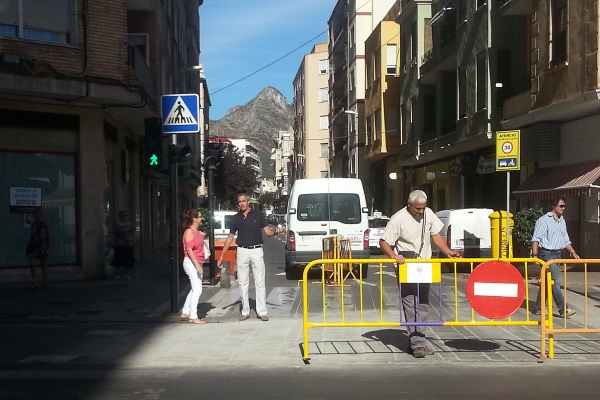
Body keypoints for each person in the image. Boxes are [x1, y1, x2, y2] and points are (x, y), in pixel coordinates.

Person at [379, 190, 460, 358]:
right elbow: (384, 241)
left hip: (424, 265)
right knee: (410, 302)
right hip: (407, 265)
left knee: (422, 303)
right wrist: (394, 256)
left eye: (423, 208)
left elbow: (435, 234)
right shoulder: (398, 218)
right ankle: (418, 345)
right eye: (417, 209)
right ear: (409, 205)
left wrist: (447, 251)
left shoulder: (428, 214)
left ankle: (417, 341)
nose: (421, 212)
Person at [218, 194, 284, 322]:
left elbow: (268, 232)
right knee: (243, 282)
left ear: (248, 202)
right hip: (242, 250)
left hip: (256, 250)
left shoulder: (258, 215)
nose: (241, 203)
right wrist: (222, 255)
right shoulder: (236, 218)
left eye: (243, 201)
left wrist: (277, 232)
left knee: (260, 281)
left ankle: (262, 311)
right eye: (239, 201)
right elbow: (230, 237)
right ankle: (245, 311)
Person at [532, 197, 579, 318]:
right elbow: (536, 238)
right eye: (561, 206)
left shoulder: (562, 221)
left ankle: (538, 307)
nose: (563, 208)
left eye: (564, 206)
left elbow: (565, 239)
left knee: (548, 282)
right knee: (555, 281)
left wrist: (573, 252)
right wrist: (535, 255)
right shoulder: (544, 220)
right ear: (554, 206)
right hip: (546, 254)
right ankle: (563, 309)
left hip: (557, 254)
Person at [180, 209, 207, 324]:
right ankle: (193, 315)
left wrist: (201, 235)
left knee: (195, 287)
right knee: (198, 289)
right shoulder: (189, 232)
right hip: (191, 262)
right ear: (194, 219)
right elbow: (189, 250)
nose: (202, 218)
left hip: (197, 261)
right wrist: (197, 266)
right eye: (200, 217)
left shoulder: (196, 231)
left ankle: (186, 311)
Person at [27, 207, 52, 289]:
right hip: (34, 246)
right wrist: (29, 245)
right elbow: (31, 235)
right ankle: (35, 281)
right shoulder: (33, 224)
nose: (37, 215)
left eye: (38, 213)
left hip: (43, 245)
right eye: (35, 214)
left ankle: (45, 282)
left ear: (41, 214)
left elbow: (49, 235)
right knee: (32, 262)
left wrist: (49, 246)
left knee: (43, 264)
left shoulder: (45, 223)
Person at [111, 210, 135, 280]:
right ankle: (117, 274)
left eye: (127, 215)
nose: (125, 217)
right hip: (119, 244)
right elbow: (114, 234)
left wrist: (133, 241)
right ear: (120, 216)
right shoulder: (117, 225)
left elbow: (133, 233)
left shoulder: (130, 224)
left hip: (128, 244)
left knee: (128, 260)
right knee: (118, 259)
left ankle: (127, 274)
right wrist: (113, 242)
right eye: (124, 216)